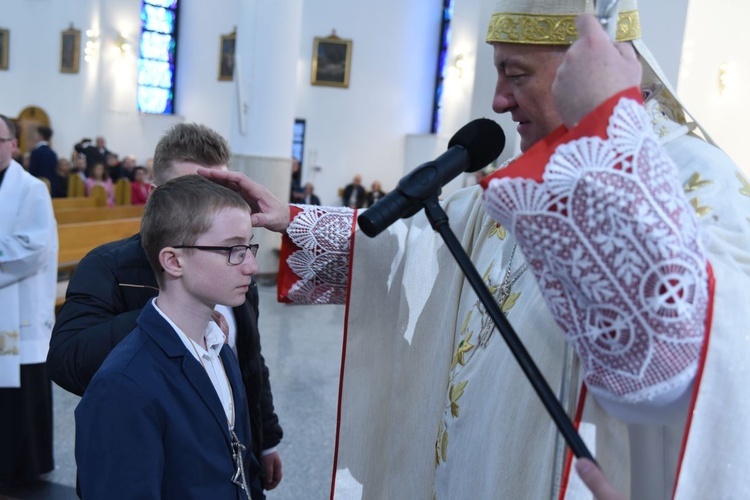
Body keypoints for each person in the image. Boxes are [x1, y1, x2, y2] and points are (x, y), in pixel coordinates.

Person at [200, 1, 750, 498]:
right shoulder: (522, 178)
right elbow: (421, 252)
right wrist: (291, 219)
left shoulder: (694, 181)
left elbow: (695, 355)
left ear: (590, 67)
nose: (497, 99)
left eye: (517, 73)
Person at [48, 122, 283, 491]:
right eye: (188, 191)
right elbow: (67, 360)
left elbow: (252, 359)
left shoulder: (232, 266)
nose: (206, 203)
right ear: (157, 195)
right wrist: (170, 318)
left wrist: (265, 440)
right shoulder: (110, 266)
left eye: (217, 191)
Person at [75, 174, 264, 499]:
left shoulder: (218, 347)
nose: (252, 266)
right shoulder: (124, 385)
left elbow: (240, 464)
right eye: (234, 249)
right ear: (174, 261)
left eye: (249, 247)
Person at [0, 114, 58, 485]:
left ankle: (20, 470)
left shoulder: (31, 189)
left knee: (17, 393)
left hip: (15, 310)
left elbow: (32, 248)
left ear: (13, 145)